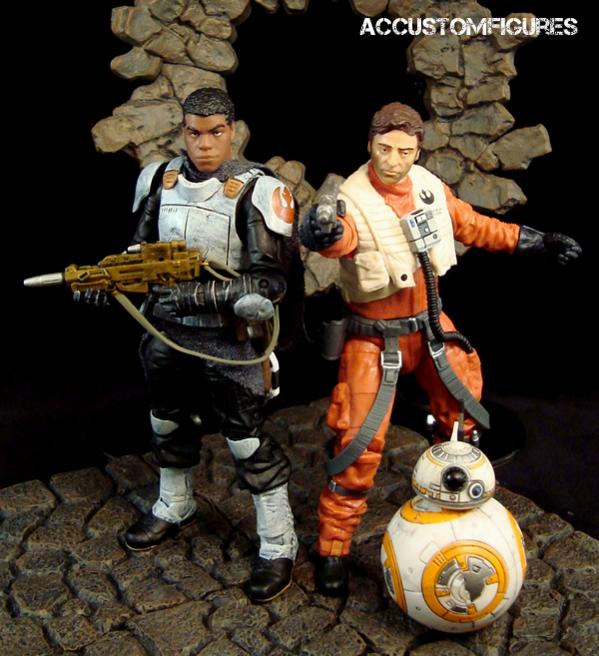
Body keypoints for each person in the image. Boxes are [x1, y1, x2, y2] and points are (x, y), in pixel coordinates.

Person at [299, 101, 581, 596]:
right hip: (373, 338)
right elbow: (337, 239)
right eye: (384, 148)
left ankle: (455, 505)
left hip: (430, 326)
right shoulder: (351, 199)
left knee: (461, 416)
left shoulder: (429, 188)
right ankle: (334, 545)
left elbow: (473, 225)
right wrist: (321, 230)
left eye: (404, 151)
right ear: (370, 145)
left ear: (418, 151)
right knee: (358, 444)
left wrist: (534, 241)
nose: (393, 160)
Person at [90, 88, 298, 603]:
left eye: (215, 133)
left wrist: (201, 294)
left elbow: (270, 282)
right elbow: (140, 253)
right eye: (194, 133)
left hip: (229, 339)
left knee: (245, 440)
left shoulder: (257, 190)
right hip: (168, 330)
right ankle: (175, 502)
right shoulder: (159, 180)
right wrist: (110, 277)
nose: (204, 144)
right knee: (166, 421)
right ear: (182, 131)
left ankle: (278, 543)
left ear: (233, 131)